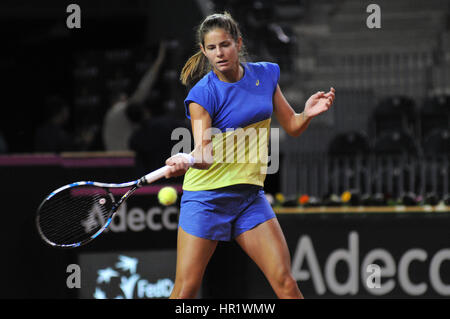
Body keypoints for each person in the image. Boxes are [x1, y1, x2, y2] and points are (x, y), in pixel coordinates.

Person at [164, 12, 335, 299]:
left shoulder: (266, 74)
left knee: (285, 282)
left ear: (238, 43)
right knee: (186, 291)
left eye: (225, 45)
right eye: (212, 48)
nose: (220, 53)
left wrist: (307, 113)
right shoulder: (202, 95)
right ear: (204, 51)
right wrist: (188, 159)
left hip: (249, 199)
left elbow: (291, 125)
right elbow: (204, 153)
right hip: (207, 199)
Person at [102, 41, 166, 151]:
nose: (126, 100)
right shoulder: (119, 110)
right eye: (124, 98)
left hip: (112, 160)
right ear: (117, 100)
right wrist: (158, 62)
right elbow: (143, 89)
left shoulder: (109, 117)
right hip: (126, 160)